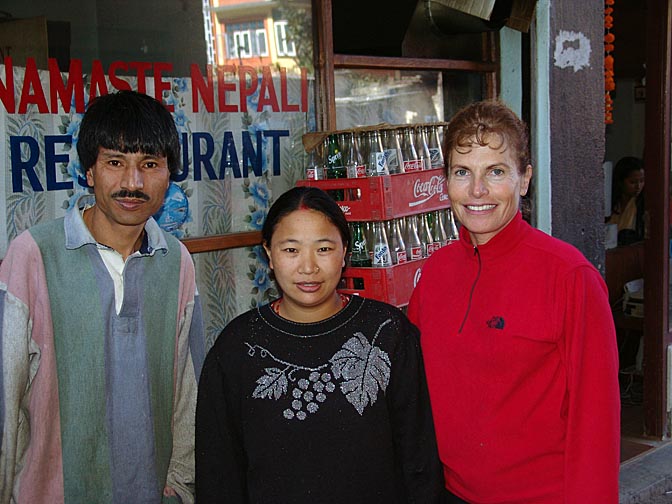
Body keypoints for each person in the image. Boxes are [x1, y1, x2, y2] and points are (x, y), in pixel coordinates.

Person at [408, 100, 620, 503]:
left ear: (524, 180)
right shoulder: (434, 273)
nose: (477, 191)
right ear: (445, 181)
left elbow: (596, 423)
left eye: (496, 172)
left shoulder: (569, 277)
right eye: (462, 172)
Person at [0, 90, 205, 504]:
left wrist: (180, 489)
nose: (133, 182)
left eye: (150, 165)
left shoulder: (176, 261)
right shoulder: (34, 255)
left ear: (169, 175)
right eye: (115, 163)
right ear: (89, 171)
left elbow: (189, 392)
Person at [195, 186, 444, 503]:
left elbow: (419, 460)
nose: (308, 267)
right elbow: (218, 474)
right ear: (269, 254)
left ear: (345, 253)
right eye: (291, 250)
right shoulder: (238, 346)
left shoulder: (388, 333)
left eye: (324, 249)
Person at [607, 156, 645, 245]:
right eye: (632, 182)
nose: (638, 186)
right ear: (620, 181)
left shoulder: (643, 204)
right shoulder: (610, 203)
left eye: (642, 181)